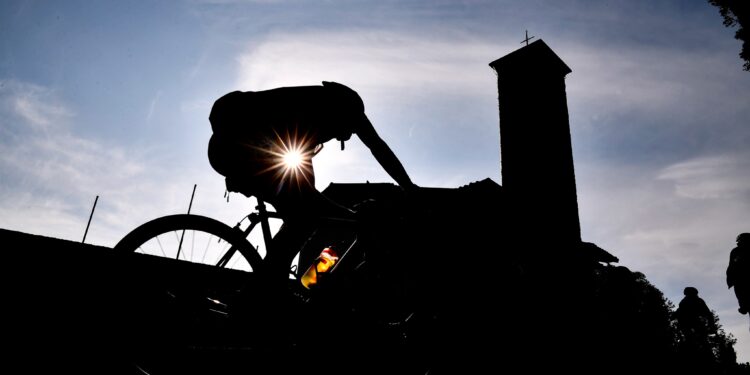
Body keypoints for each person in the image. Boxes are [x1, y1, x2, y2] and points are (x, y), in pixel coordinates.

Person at [207, 81, 418, 280]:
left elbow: (377, 146)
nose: (347, 136)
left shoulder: (321, 108)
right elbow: (376, 148)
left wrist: (408, 187)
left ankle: (273, 281)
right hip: (235, 151)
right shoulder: (307, 117)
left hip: (240, 148)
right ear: (340, 112)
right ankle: (264, 288)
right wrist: (353, 216)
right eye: (349, 129)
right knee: (304, 216)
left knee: (304, 215)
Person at [727, 233, 750, 316]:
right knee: (740, 292)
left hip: (742, 279)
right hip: (739, 279)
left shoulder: (737, 251)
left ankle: (744, 306)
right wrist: (730, 278)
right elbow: (731, 265)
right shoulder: (735, 251)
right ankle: (744, 306)